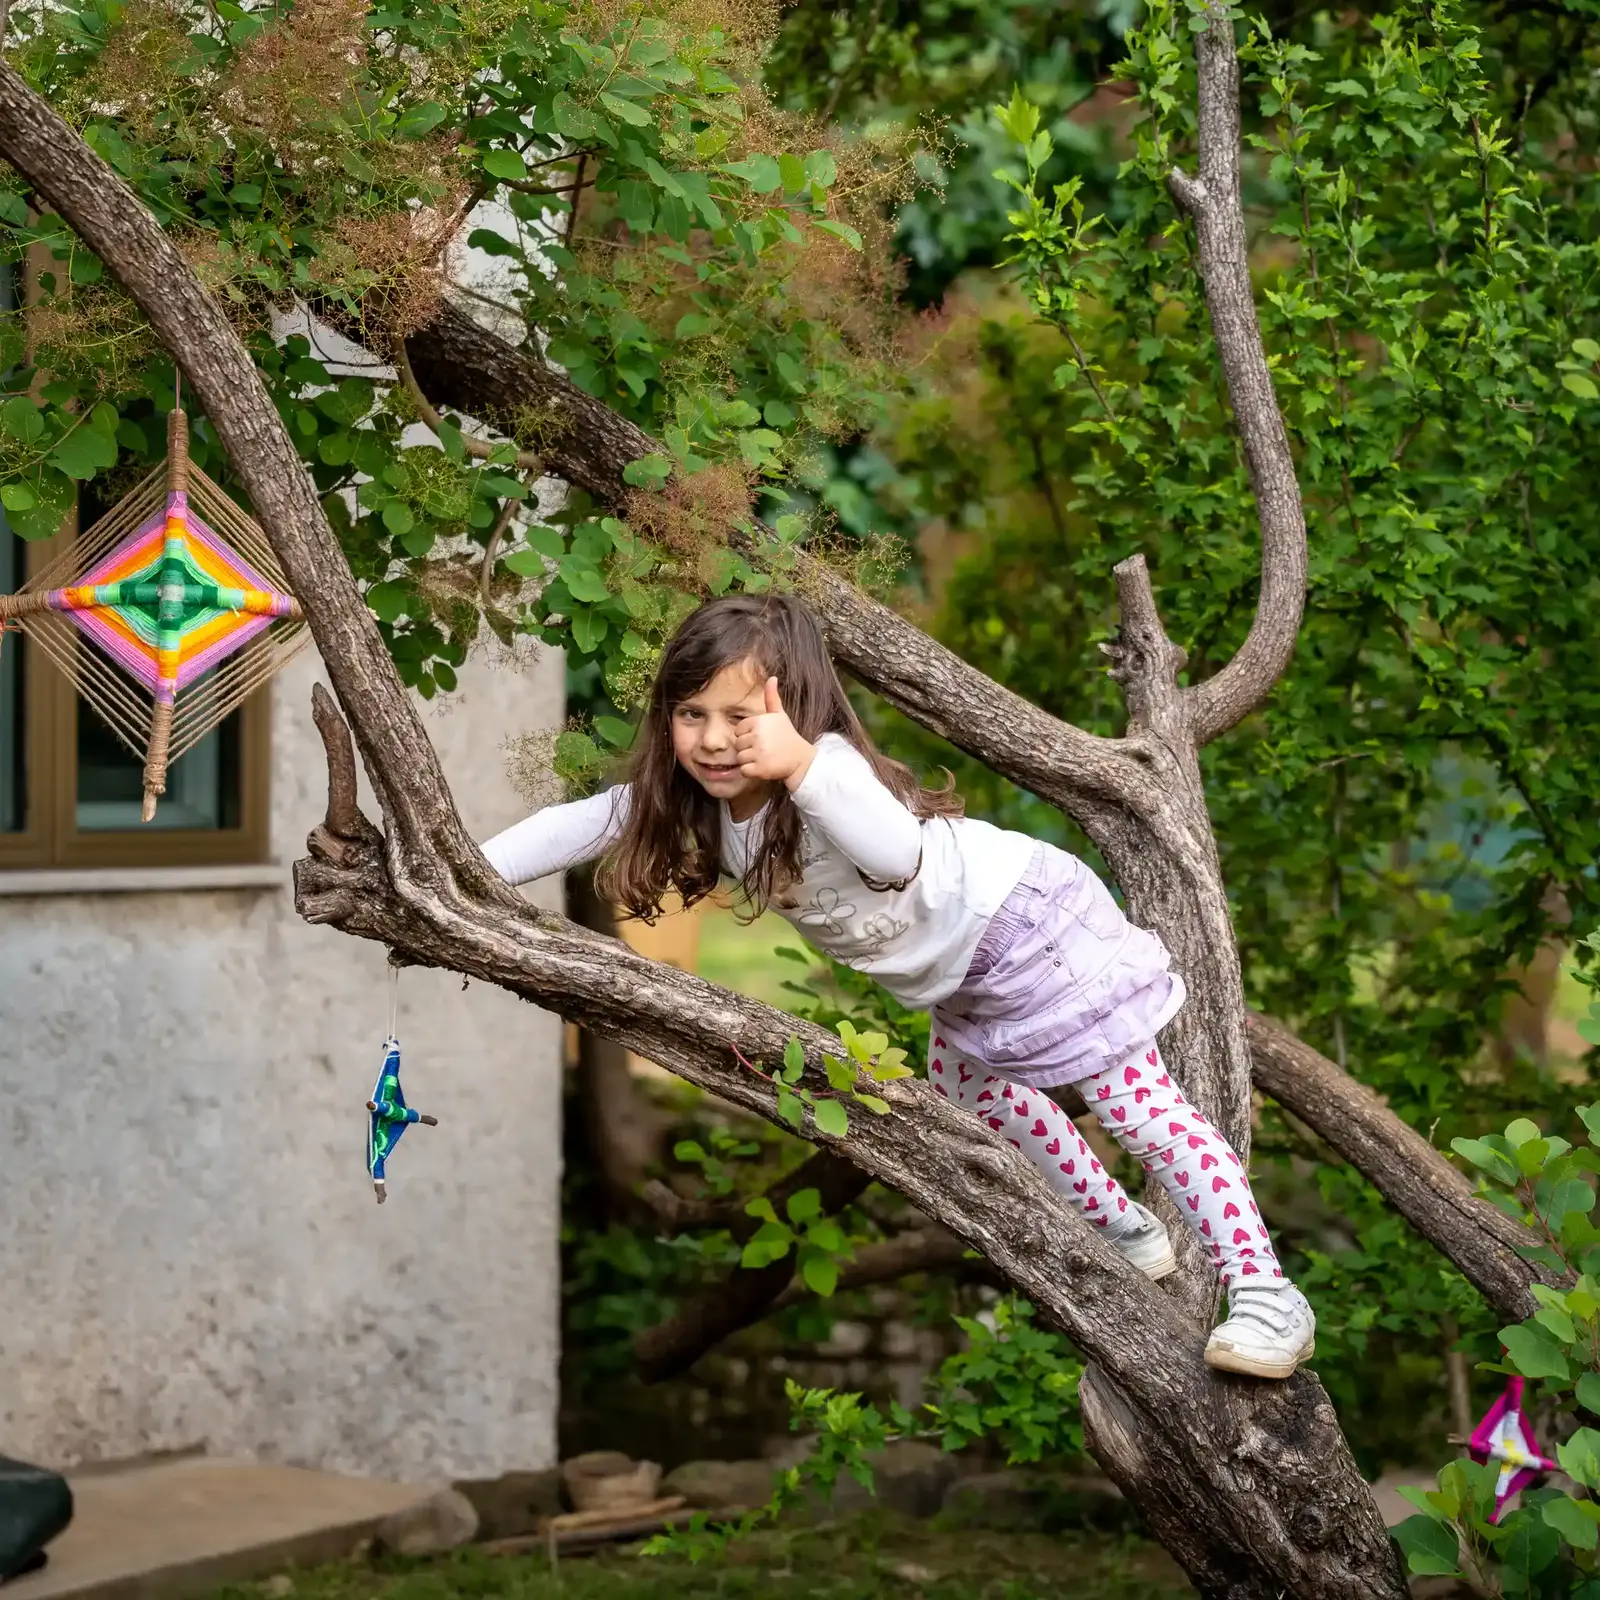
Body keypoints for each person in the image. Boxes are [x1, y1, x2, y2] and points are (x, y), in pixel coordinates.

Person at [481, 594, 1316, 1379]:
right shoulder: (699, 803)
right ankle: (1120, 1225)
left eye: (743, 716)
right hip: (965, 976)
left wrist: (802, 763)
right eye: (693, 715)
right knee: (974, 1096)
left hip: (1032, 929)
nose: (715, 739)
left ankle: (1268, 1295)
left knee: (1143, 1112)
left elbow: (894, 855)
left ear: (796, 710)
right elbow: (577, 823)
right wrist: (466, 872)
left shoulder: (831, 770)